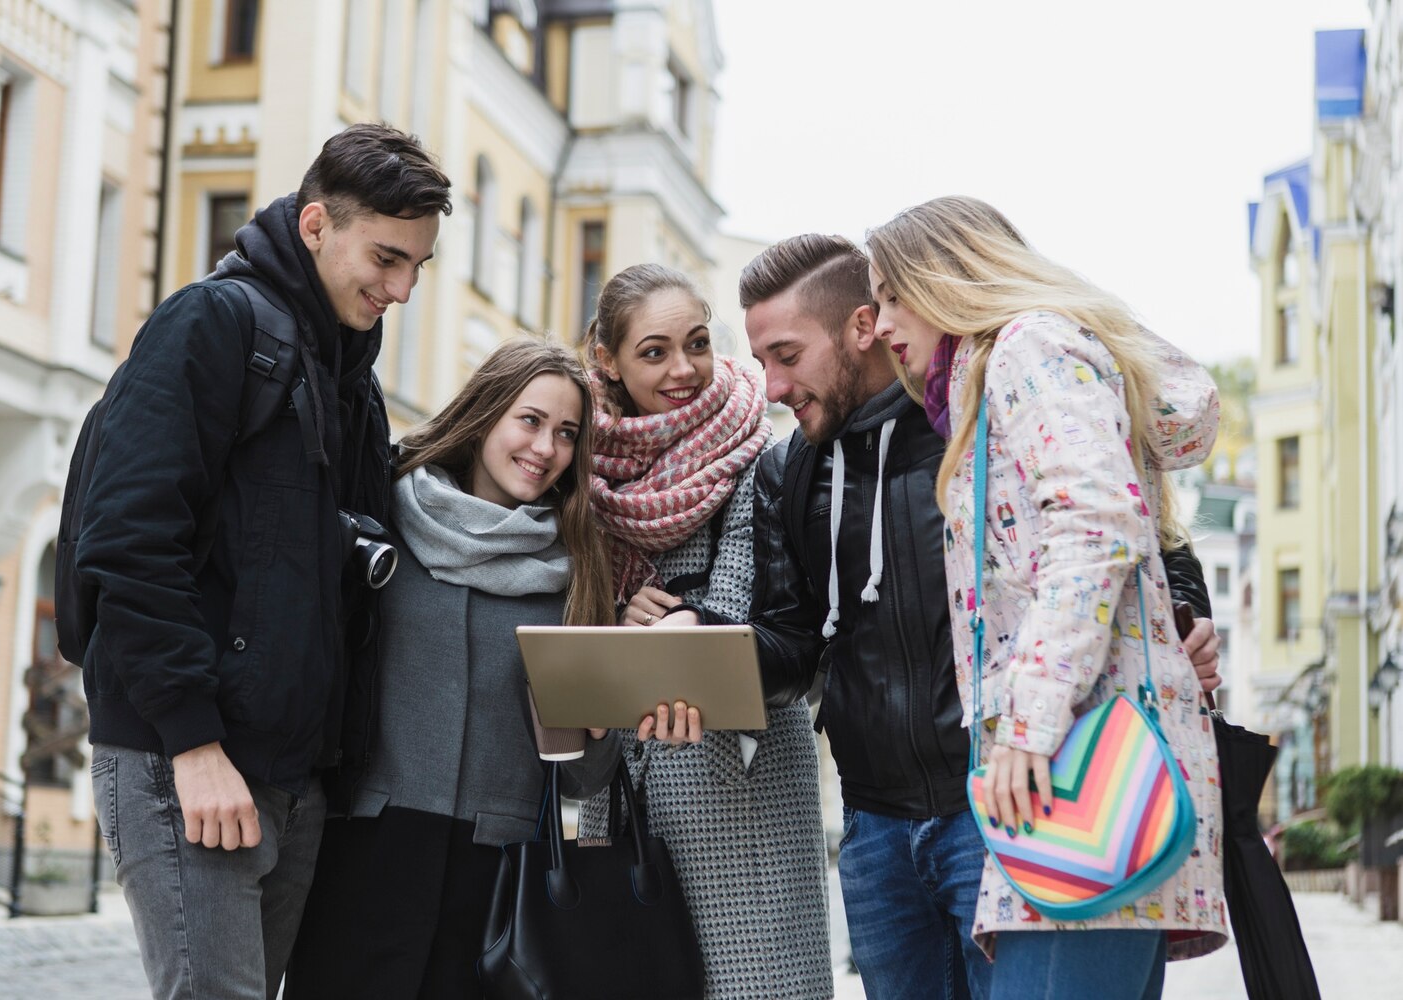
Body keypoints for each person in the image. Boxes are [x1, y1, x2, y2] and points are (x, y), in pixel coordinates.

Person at [681, 233, 1223, 999]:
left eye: (786, 355)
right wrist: (696, 645)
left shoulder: (984, 404)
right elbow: (793, 642)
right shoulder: (790, 468)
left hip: (1010, 796)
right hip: (877, 837)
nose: (769, 385)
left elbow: (1125, 524)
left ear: (862, 327)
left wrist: (1187, 609)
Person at [75, 123, 451, 999]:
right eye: (386, 259)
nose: (399, 290)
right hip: (189, 760)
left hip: (291, 775)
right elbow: (128, 542)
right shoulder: (211, 324)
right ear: (316, 225)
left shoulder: (348, 372)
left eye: (417, 269)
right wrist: (195, 745)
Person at [866, 195, 1228, 999]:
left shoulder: (1026, 348)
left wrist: (1026, 728)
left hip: (1076, 772)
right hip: (1089, 766)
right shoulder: (1003, 374)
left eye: (894, 293)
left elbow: (1097, 521)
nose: (880, 321)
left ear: (948, 275)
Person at [283, 338, 622, 998]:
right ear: (487, 411)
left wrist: (597, 737)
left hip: (498, 880)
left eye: (566, 433)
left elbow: (587, 784)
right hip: (363, 855)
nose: (546, 448)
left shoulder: (577, 571)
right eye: (530, 420)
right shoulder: (383, 513)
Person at [575, 264, 832, 999]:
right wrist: (618, 623)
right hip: (626, 795)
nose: (684, 369)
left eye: (695, 343)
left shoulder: (762, 458)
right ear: (610, 362)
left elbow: (760, 619)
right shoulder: (584, 475)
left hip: (739, 790)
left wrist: (675, 638)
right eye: (654, 352)